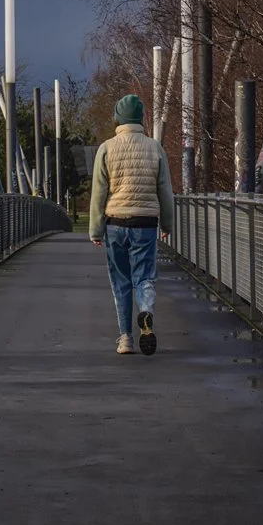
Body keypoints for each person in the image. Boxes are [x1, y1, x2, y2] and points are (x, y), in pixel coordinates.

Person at [87, 93, 173, 355]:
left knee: (121, 282)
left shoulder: (106, 148)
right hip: (146, 223)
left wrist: (95, 229)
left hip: (115, 223)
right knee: (144, 277)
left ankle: (125, 339)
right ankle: (145, 311)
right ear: (139, 118)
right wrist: (167, 223)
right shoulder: (154, 147)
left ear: (118, 118)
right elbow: (165, 190)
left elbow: (99, 193)